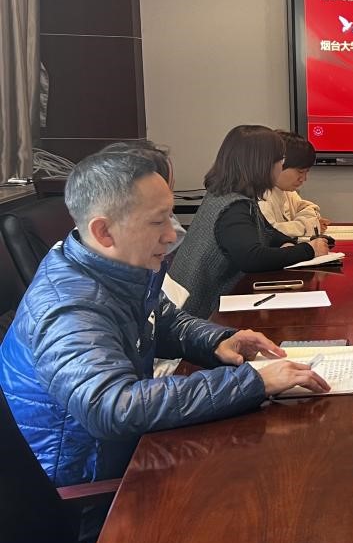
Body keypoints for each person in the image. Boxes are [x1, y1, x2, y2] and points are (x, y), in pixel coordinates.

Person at [0, 148, 329, 492]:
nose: (172, 234)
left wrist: (218, 341)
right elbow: (113, 406)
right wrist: (253, 382)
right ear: (104, 232)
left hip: (126, 452)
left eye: (170, 216)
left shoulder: (114, 266)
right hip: (89, 488)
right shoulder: (68, 307)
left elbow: (164, 319)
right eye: (158, 221)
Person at [169, 125, 330, 318]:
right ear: (263, 164)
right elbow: (252, 258)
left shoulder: (230, 196)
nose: (281, 167)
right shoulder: (233, 207)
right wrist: (308, 250)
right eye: (280, 161)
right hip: (198, 317)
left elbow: (268, 232)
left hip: (198, 312)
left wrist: (288, 244)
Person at [259, 131, 328, 240]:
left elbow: (310, 208)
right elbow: (271, 233)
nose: (304, 179)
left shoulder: (287, 191)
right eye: (300, 171)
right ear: (277, 164)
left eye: (306, 172)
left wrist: (300, 224)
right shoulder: (259, 196)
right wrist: (308, 225)